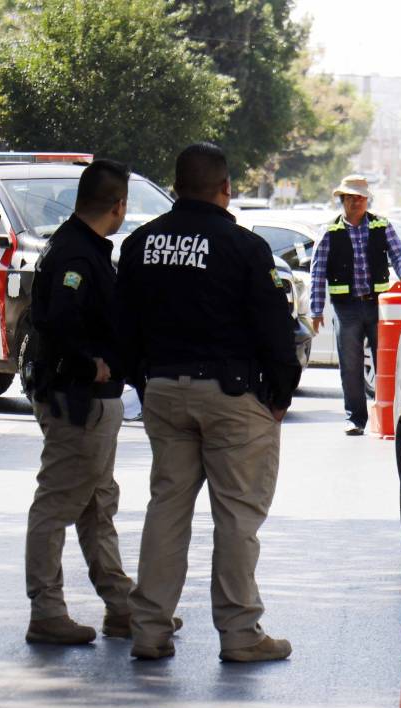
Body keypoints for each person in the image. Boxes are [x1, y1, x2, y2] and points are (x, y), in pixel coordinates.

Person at [117, 143, 301, 662]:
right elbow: (273, 327)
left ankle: (149, 629)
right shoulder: (242, 246)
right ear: (226, 189)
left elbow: (122, 324)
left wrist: (144, 379)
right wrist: (280, 394)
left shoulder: (141, 243)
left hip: (164, 392)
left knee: (167, 510)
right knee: (237, 517)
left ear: (176, 187)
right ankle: (241, 634)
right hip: (231, 396)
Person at [24, 159, 134, 645]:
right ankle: (46, 612)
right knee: (58, 505)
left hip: (87, 401)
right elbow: (62, 321)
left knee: (96, 504)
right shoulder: (76, 255)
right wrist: (90, 365)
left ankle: (122, 606)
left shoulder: (79, 247)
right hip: (78, 400)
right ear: (118, 205)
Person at [309, 175, 401, 435]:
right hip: (346, 309)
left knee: (386, 363)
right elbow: (317, 271)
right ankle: (356, 418)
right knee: (351, 365)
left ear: (367, 200)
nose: (356, 202)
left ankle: (389, 414)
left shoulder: (381, 225)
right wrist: (315, 309)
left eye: (360, 198)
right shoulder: (330, 231)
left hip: (377, 307)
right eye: (351, 198)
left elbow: (399, 253)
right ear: (343, 201)